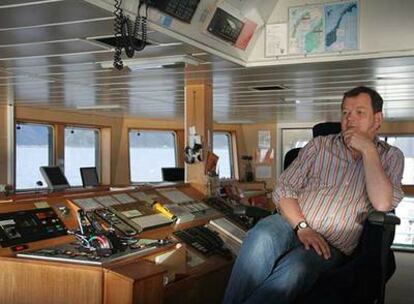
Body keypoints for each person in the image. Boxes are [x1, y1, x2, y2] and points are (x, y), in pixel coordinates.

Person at [223, 86, 404, 304]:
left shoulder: (391, 156)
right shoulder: (319, 146)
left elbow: (383, 203)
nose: (349, 119)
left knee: (294, 270)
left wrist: (369, 151)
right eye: (345, 113)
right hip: (292, 223)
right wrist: (303, 228)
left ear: (377, 119)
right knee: (260, 235)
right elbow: (284, 188)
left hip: (332, 243)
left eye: (359, 112)